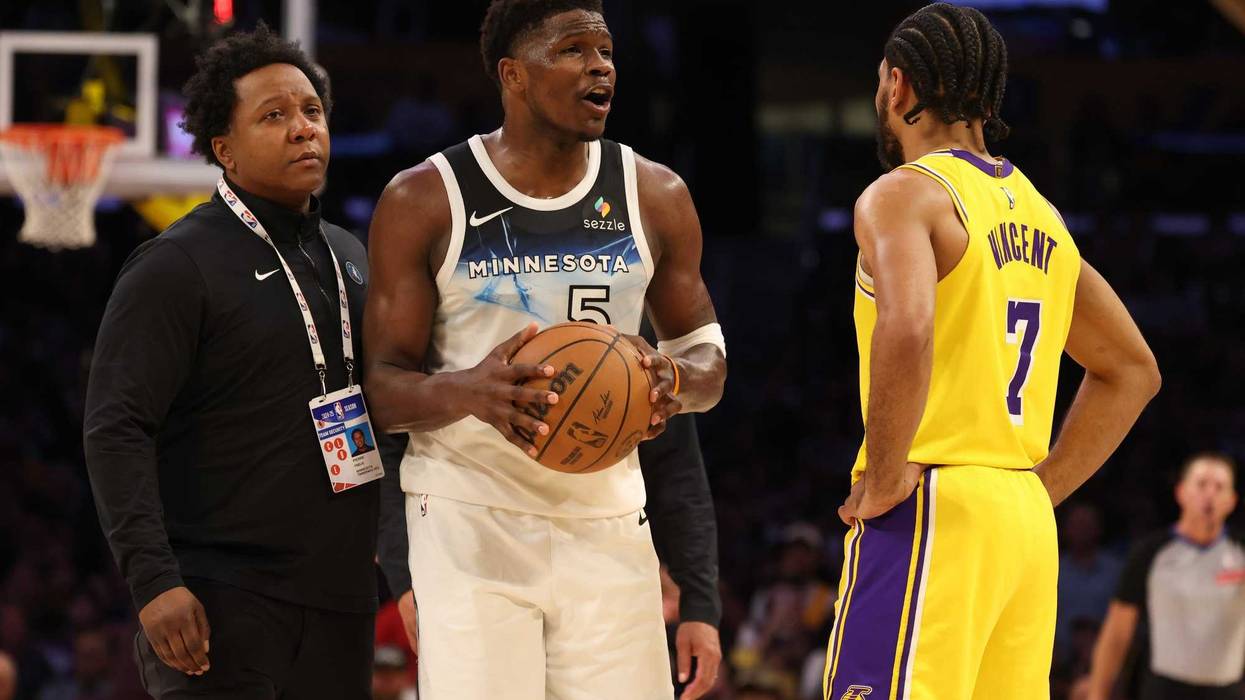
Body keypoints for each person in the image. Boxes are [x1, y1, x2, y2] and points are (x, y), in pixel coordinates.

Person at [363, 1, 727, 698]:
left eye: (606, 51)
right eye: (572, 50)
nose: (600, 67)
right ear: (513, 75)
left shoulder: (655, 195)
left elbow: (708, 362)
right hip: (467, 518)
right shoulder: (424, 199)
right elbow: (378, 389)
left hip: (608, 518)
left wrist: (669, 379)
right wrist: (467, 391)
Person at [826, 4, 1161, 699]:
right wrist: (1040, 490)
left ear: (897, 86)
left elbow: (909, 325)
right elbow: (1132, 370)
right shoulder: (1042, 214)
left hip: (934, 502)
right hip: (1023, 523)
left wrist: (885, 476)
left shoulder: (902, 196)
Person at [84, 24, 405, 698]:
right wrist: (154, 583)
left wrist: (400, 570)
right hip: (219, 599)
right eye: (275, 115)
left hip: (342, 601)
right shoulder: (177, 264)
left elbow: (386, 417)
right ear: (223, 149)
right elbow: (116, 427)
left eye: (312, 111)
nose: (302, 129)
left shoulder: (349, 252)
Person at [1087, 452, 1244, 700]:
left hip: (1227, 690)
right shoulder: (1150, 553)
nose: (1210, 494)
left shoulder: (1240, 552)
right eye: (1202, 484)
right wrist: (1097, 693)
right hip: (1163, 689)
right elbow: (1117, 632)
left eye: (1220, 487)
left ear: (1232, 500)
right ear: (1181, 492)